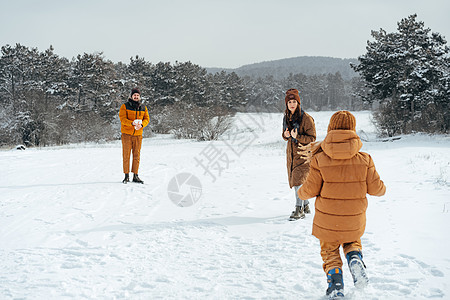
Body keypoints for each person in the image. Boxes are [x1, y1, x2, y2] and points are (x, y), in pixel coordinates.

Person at [297, 111, 386, 298]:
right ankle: (354, 257)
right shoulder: (365, 159)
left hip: (327, 219)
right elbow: (378, 190)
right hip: (354, 218)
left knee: (329, 251)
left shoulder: (319, 159)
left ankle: (336, 285)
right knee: (352, 240)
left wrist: (300, 192)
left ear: (331, 129)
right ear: (352, 130)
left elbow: (310, 190)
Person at [282, 88, 316, 220]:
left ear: (298, 103)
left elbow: (312, 138)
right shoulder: (286, 117)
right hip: (291, 155)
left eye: (294, 101)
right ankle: (306, 204)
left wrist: (299, 137)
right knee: (298, 181)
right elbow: (285, 135)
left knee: (298, 181)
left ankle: (299, 209)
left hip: (303, 154)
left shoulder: (306, 118)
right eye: (289, 102)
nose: (292, 104)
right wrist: (285, 135)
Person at [119, 88, 150, 184]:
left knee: (137, 155)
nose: (136, 97)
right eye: (134, 95)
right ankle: (126, 175)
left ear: (139, 97)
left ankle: (135, 175)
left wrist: (142, 125)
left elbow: (147, 119)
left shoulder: (143, 107)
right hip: (127, 135)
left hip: (138, 135)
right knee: (126, 155)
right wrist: (132, 123)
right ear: (131, 96)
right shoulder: (125, 106)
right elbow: (122, 119)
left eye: (137, 95)